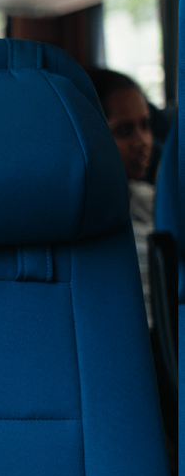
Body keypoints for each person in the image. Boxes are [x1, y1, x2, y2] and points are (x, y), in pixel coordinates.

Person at [85, 68, 155, 313]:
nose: (142, 142)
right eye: (124, 131)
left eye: (145, 126)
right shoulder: (87, 228)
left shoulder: (147, 197)